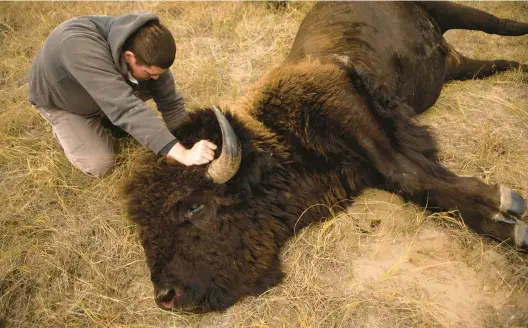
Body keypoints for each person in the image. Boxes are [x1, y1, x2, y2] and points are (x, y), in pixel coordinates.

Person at [28, 12, 217, 177]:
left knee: (142, 93)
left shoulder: (147, 47)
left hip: (108, 90)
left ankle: (108, 119)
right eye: (151, 74)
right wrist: (182, 155)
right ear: (129, 57)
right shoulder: (78, 48)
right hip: (66, 103)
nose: (157, 78)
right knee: (101, 164)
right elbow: (126, 109)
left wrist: (189, 140)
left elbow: (171, 104)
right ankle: (68, 129)